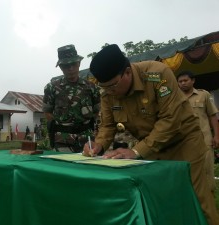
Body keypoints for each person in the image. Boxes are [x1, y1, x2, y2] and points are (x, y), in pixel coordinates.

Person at [83, 44, 219, 225]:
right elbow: (108, 125)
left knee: (196, 197)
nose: (110, 92)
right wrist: (98, 144)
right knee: (161, 198)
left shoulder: (158, 74)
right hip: (151, 147)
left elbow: (170, 120)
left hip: (184, 142)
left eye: (113, 86)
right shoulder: (108, 91)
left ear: (128, 72)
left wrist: (136, 152)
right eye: (104, 87)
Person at [42, 44, 100, 153]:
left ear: (79, 63)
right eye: (66, 66)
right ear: (60, 67)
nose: (71, 69)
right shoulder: (52, 88)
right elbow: (47, 113)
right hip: (63, 140)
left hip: (87, 140)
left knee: (87, 168)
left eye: (73, 64)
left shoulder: (91, 87)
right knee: (62, 168)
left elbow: (96, 111)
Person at [177, 70, 219, 194]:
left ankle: (209, 200)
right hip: (183, 141)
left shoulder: (203, 95)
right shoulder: (175, 98)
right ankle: (193, 200)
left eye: (185, 80)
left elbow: (212, 116)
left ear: (193, 80)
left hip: (204, 139)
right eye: (180, 81)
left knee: (207, 170)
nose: (183, 83)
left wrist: (217, 136)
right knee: (188, 171)